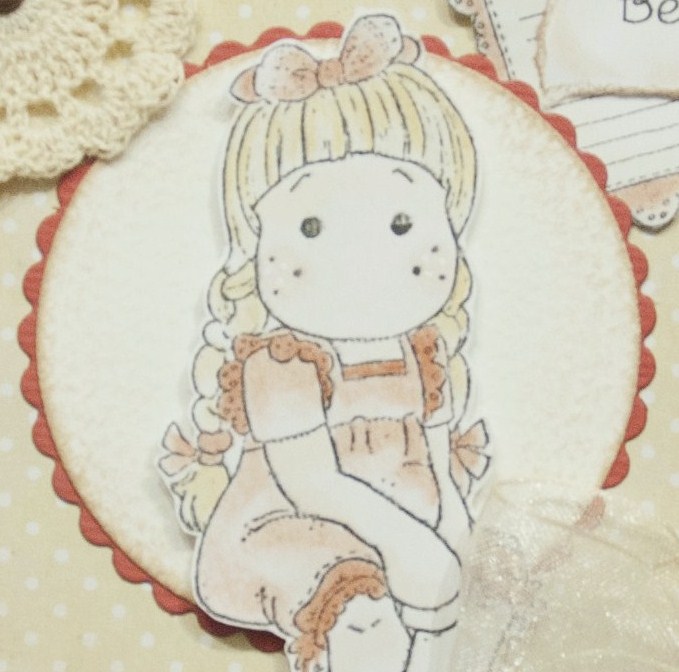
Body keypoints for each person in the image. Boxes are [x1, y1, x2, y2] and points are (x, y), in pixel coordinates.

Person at [159, 14, 490, 672]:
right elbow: (312, 482)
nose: (361, 259)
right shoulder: (284, 362)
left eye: (402, 222)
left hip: (408, 539)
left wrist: (462, 556)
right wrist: (414, 553)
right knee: (366, 617)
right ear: (256, 245)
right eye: (310, 227)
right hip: (289, 535)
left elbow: (442, 477)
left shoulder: (424, 355)